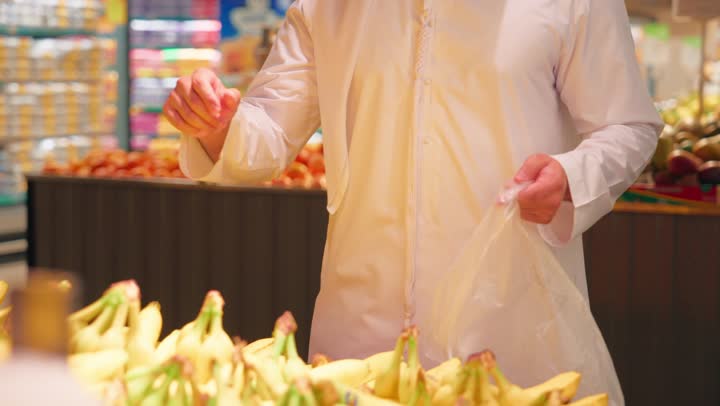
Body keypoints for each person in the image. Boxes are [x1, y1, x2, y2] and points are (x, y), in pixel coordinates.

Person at [164, 1, 661, 402]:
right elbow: (270, 130)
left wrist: (572, 176)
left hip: (509, 326)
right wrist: (219, 128)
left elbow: (628, 124)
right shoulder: (327, 8)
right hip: (361, 333)